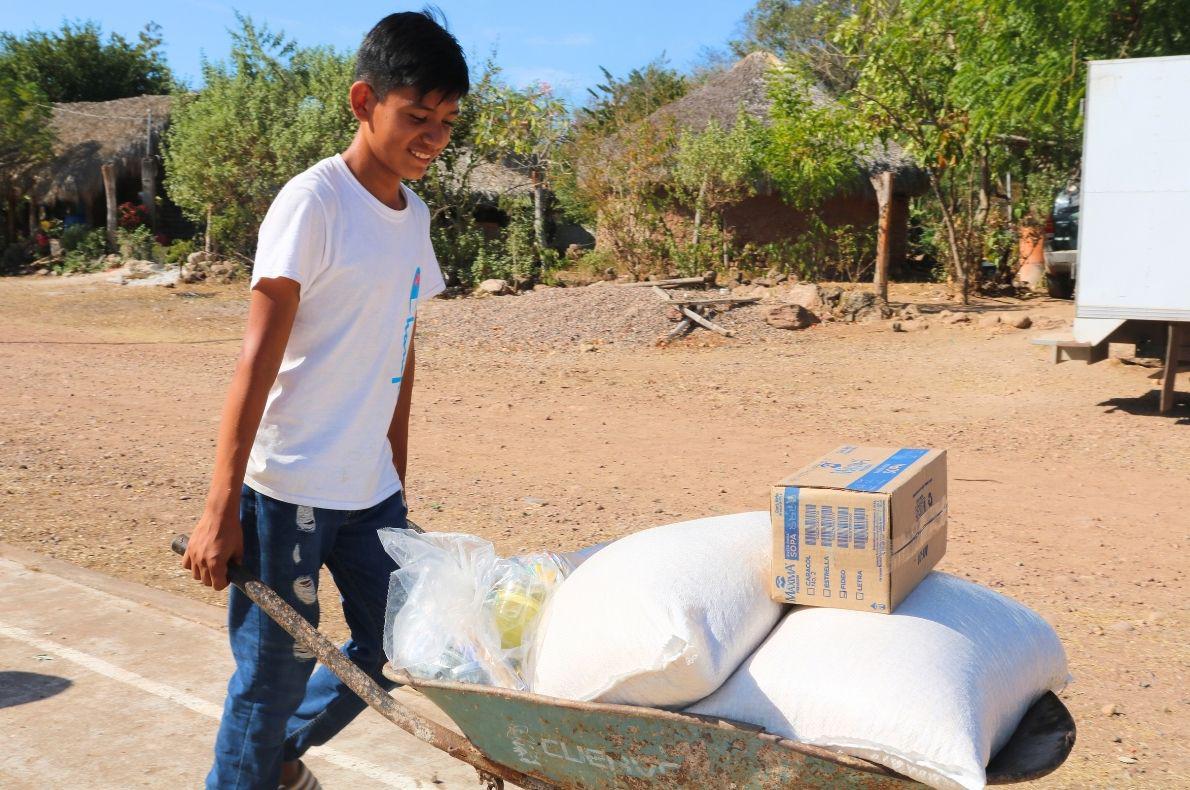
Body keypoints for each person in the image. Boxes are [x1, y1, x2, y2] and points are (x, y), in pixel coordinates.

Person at [182, 12, 467, 789]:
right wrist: (220, 508)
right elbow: (255, 360)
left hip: (369, 491)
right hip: (286, 492)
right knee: (267, 681)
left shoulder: (417, 219)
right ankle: (253, 765)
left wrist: (398, 483)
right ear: (362, 100)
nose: (432, 137)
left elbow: (398, 355)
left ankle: (275, 759)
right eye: (416, 116)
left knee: (398, 647)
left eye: (446, 122)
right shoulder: (315, 203)